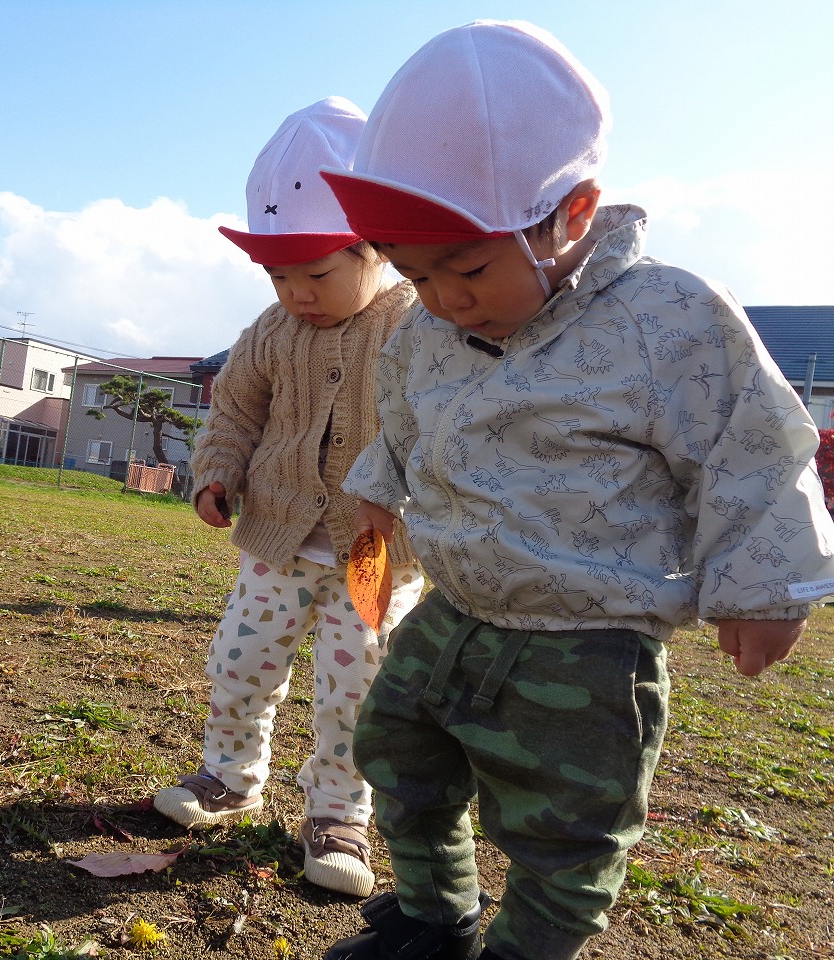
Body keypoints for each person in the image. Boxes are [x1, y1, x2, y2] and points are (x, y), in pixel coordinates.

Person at [312, 20, 834, 960]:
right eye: (416, 271)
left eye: (468, 267)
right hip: (458, 609)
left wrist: (765, 586)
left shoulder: (667, 319)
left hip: (587, 640)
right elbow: (404, 417)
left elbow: (753, 447)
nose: (442, 297)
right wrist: (379, 497)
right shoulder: (426, 330)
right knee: (398, 752)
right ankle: (437, 917)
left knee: (566, 830)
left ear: (574, 215)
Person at [153, 97, 425, 898]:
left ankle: (340, 810)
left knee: (359, 682)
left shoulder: (417, 325)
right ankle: (228, 776)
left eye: (316, 271)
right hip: (276, 535)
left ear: (377, 250)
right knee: (242, 662)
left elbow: (446, 422)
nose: (297, 290)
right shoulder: (271, 331)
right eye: (278, 274)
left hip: (377, 550)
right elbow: (236, 408)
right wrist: (217, 471)